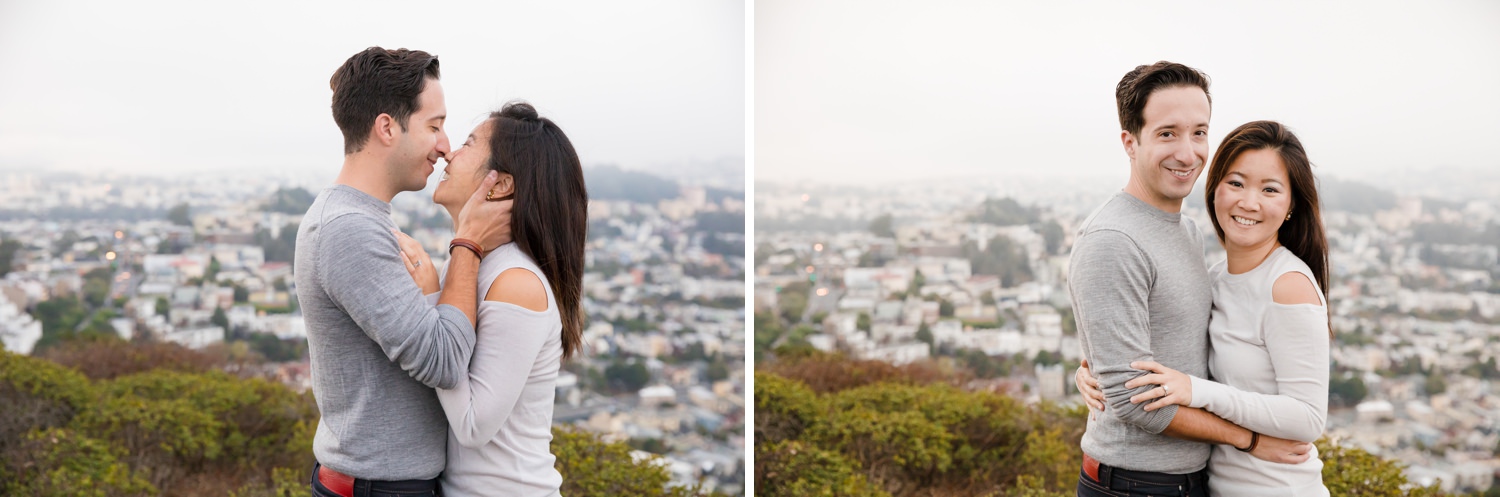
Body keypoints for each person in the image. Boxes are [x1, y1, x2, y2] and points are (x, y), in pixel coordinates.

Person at [1069, 61, 1310, 497]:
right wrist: (1249, 439)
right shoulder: (1113, 240)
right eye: (1167, 133)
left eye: (1199, 132)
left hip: (1186, 479)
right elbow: (1135, 404)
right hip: (1134, 483)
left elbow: (1169, 339)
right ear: (1130, 141)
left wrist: (1092, 365)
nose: (1188, 152)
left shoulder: (1187, 231)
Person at [297, 46, 513, 497]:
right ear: (387, 127)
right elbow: (445, 361)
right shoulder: (348, 230)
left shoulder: (362, 219)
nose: (445, 145)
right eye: (434, 125)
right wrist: (468, 243)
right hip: (381, 486)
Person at [393, 101, 587, 496]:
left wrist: (431, 296)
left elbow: (472, 425)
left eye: (467, 144)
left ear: (499, 184)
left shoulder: (516, 282)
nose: (449, 152)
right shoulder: (475, 267)